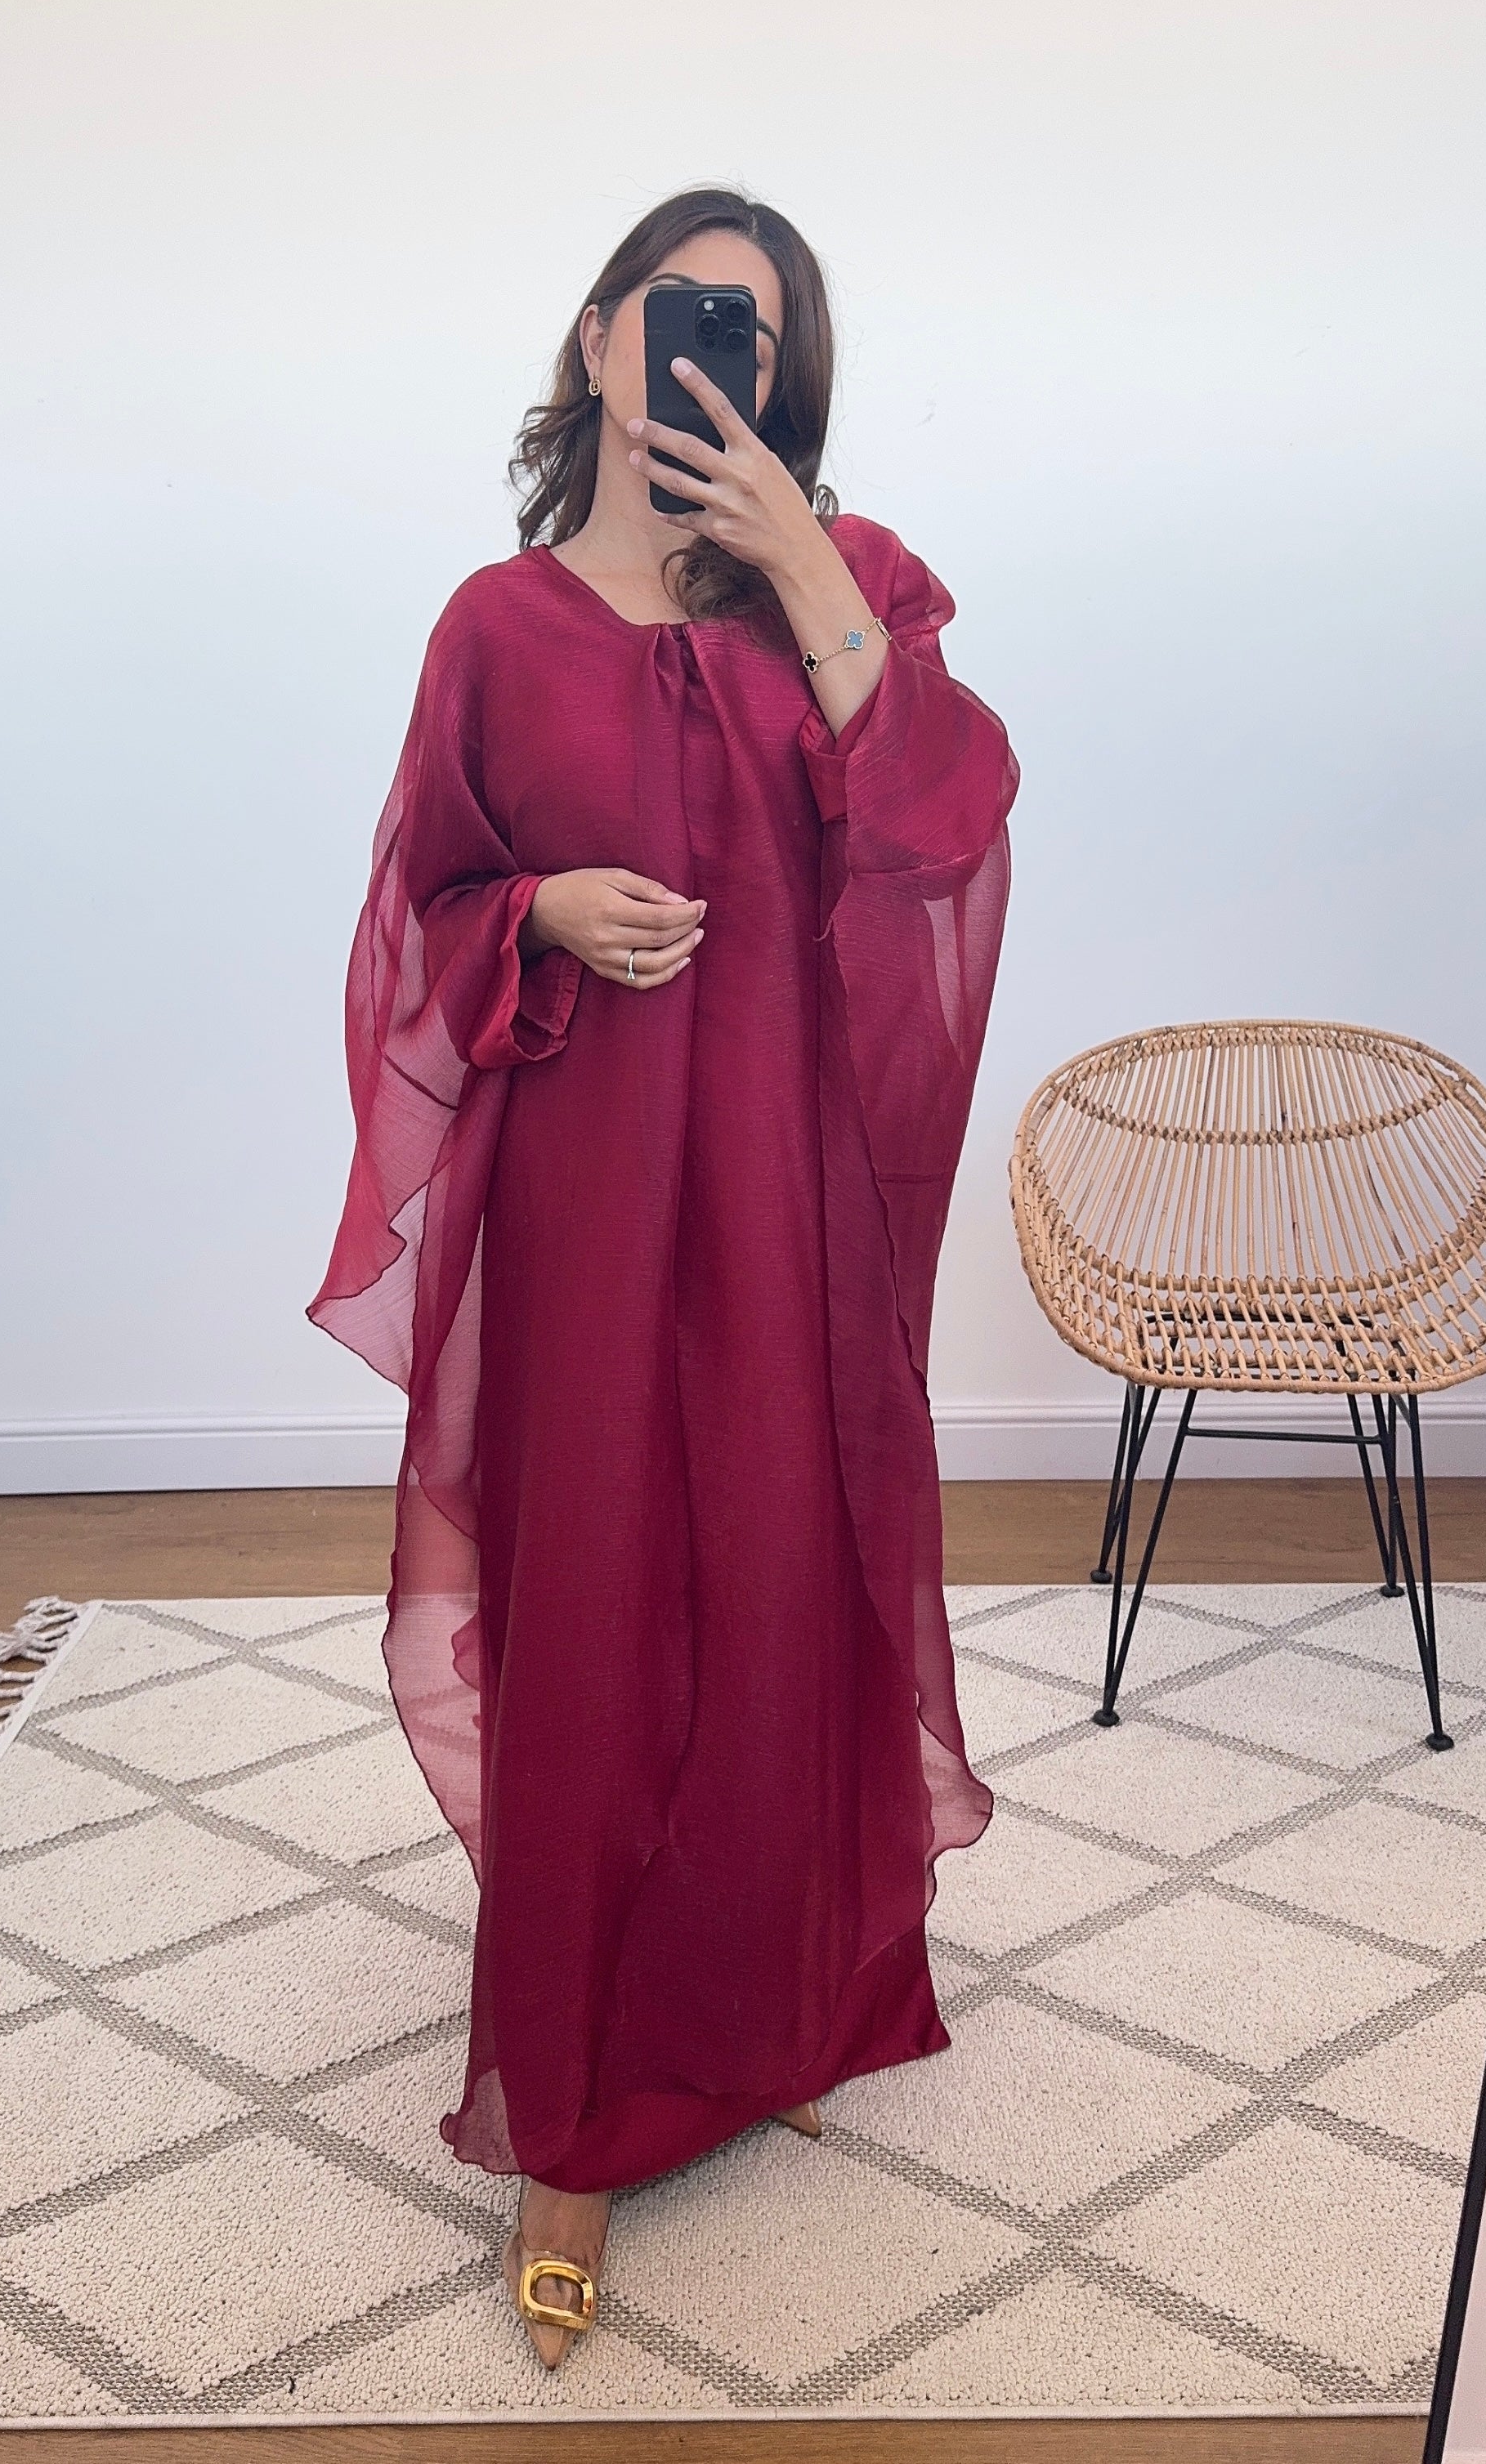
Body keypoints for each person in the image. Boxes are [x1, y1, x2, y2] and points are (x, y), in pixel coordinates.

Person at [309, 186, 1018, 2365]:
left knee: (787, 1578)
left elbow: (944, 816)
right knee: (598, 1599)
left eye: (763, 335)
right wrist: (540, 913)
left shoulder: (849, 583)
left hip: (786, 1187)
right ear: (603, 337)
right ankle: (576, 2113)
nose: (718, 351)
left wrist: (805, 565)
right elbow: (417, 914)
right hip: (593, 1196)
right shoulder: (494, 627)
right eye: (688, 311)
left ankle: (767, 2001)